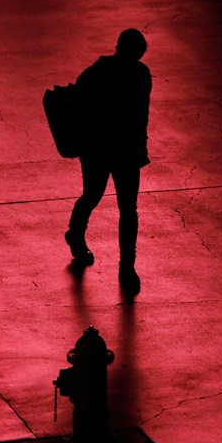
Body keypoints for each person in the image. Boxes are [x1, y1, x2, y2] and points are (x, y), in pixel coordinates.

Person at [65, 28, 151, 294]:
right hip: (123, 150)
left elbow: (76, 103)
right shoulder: (140, 74)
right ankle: (126, 267)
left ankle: (76, 235)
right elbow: (140, 116)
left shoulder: (97, 72)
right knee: (126, 208)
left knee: (93, 195)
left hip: (99, 148)